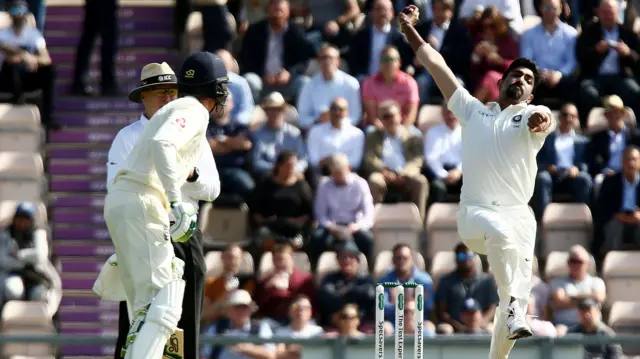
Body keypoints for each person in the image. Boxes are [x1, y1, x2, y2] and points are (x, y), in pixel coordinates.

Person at [398, 5, 555, 359]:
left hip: (520, 219)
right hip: (475, 215)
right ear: (500, 81)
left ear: (531, 94)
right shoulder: (473, 111)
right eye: (516, 75)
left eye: (529, 80)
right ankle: (514, 306)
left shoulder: (531, 115)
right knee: (501, 248)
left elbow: (544, 118)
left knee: (513, 302)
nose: (521, 81)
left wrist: (541, 118)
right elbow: (437, 66)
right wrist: (409, 30)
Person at [101, 52, 229, 359]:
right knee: (151, 314)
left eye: (172, 90)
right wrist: (173, 195)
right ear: (143, 96)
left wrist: (190, 174)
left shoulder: (187, 121)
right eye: (159, 91)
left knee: (176, 324)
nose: (167, 96)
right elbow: (121, 184)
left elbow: (212, 188)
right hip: (149, 224)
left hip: (184, 235)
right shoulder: (129, 136)